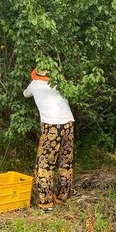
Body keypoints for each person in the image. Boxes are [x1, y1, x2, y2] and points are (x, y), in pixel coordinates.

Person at [23, 67, 75, 213]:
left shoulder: (34, 85)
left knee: (44, 164)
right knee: (65, 161)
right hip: (69, 123)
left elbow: (25, 94)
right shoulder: (58, 84)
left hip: (51, 125)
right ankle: (62, 197)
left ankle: (46, 204)